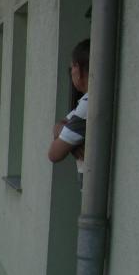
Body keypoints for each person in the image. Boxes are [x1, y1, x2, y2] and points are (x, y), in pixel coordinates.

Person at [48, 39, 90, 185]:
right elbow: (59, 124)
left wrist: (68, 140)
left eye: (71, 67)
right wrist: (73, 144)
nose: (71, 72)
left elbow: (54, 154)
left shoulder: (88, 105)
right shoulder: (86, 101)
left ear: (78, 69)